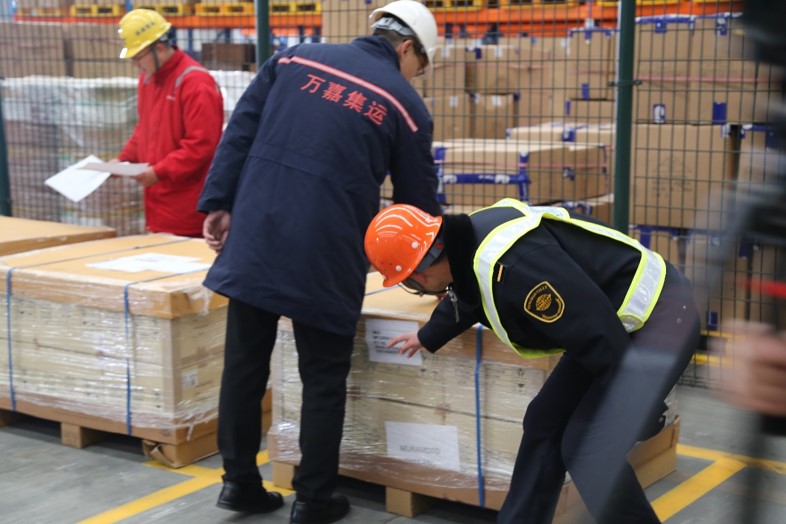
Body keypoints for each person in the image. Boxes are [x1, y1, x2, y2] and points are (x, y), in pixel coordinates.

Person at [196, 1, 442, 522]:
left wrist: (219, 202)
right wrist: (431, 270)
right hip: (327, 250)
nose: (414, 77)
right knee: (324, 376)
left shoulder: (293, 60)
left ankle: (238, 483)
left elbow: (240, 130)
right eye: (419, 66)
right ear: (406, 48)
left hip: (258, 232)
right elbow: (416, 206)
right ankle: (313, 498)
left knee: (244, 363)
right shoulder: (405, 107)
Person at [364, 199, 702, 524]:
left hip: (660, 319)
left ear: (419, 275)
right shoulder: (467, 243)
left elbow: (595, 333)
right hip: (618, 325)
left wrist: (641, 406)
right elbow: (468, 293)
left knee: (587, 448)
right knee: (544, 423)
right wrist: (428, 335)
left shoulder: (514, 268)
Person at [113, 9, 224, 237]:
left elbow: (201, 145)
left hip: (187, 207)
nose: (136, 65)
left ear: (159, 48)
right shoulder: (149, 79)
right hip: (158, 203)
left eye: (138, 58)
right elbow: (144, 129)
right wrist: (122, 160)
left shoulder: (196, 83)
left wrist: (159, 172)